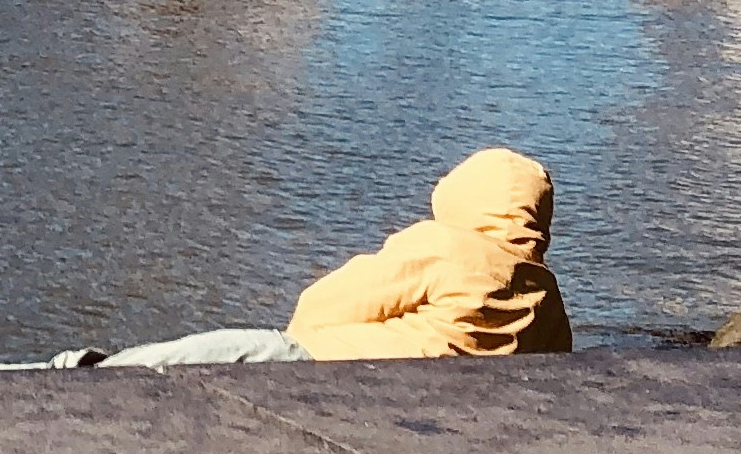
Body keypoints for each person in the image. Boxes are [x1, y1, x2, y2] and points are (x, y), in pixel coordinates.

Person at [69, 150, 572, 370]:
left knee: (218, 351)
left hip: (338, 365)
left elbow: (320, 306)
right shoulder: (547, 294)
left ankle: (81, 370)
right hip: (432, 401)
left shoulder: (443, 245)